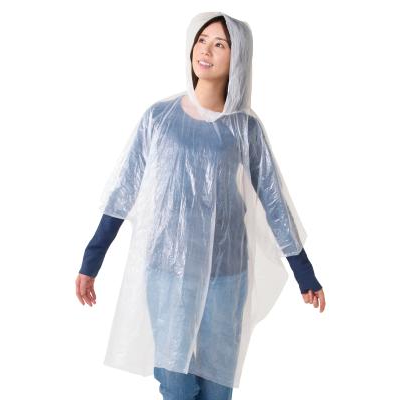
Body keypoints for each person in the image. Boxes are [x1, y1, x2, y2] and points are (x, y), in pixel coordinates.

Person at [75, 12, 325, 400]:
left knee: (216, 385)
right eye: (202, 40)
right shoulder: (159, 117)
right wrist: (92, 261)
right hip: (167, 268)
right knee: (174, 381)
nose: (205, 50)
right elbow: (124, 190)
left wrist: (304, 273)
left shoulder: (244, 127)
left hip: (227, 273)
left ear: (237, 58)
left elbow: (274, 200)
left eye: (219, 44)